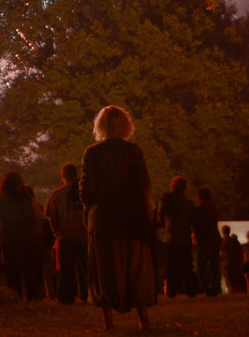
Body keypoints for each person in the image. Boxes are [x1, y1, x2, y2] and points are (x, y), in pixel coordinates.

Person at [80, 104, 155, 331]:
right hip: (132, 214)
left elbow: (86, 188)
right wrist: (146, 210)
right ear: (125, 125)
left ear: (100, 126)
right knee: (136, 266)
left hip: (102, 217)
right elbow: (144, 183)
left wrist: (87, 213)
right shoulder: (133, 150)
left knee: (104, 268)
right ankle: (143, 318)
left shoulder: (92, 153)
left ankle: (108, 320)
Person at [0, 171, 42, 300]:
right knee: (29, 273)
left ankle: (15, 298)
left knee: (12, 274)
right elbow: (37, 218)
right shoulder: (28, 200)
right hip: (26, 240)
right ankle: (32, 298)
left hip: (8, 241)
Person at [46, 162, 89, 305]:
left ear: (62, 175)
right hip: (84, 234)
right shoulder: (83, 191)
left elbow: (52, 216)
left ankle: (66, 297)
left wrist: (56, 233)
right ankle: (86, 294)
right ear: (76, 175)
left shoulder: (57, 194)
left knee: (66, 268)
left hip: (66, 234)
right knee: (86, 268)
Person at [155, 176, 196, 298]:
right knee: (187, 267)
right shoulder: (188, 204)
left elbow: (159, 218)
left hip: (170, 238)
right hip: (184, 238)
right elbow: (192, 221)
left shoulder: (165, 201)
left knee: (171, 266)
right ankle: (190, 290)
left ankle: (171, 290)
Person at [192, 187, 222, 297]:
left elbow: (197, 225)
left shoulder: (199, 208)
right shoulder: (213, 207)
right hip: (214, 239)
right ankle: (216, 288)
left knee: (201, 267)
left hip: (205, 240)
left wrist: (198, 239)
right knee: (214, 266)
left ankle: (206, 289)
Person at [221, 225, 246, 294]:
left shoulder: (222, 242)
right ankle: (234, 293)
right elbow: (240, 252)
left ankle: (231, 293)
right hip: (234, 264)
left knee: (229, 282)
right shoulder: (235, 242)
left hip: (227, 264)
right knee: (234, 281)